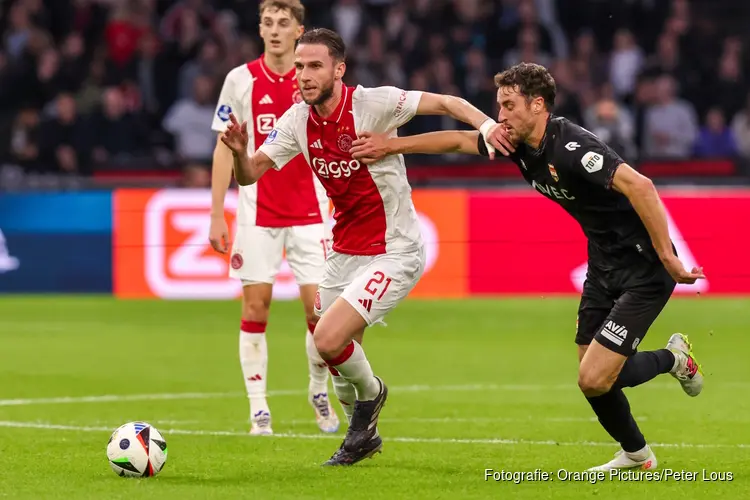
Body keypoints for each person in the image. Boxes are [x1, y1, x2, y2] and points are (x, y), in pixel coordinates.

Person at [350, 62, 705, 471]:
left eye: (508, 105)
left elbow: (640, 186)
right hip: (603, 264)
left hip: (644, 268)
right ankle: (637, 455)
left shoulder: (572, 147)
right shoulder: (516, 143)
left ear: (537, 105)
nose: (499, 116)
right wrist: (391, 146)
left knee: (594, 377)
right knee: (595, 376)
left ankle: (675, 359)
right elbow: (459, 141)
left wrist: (667, 256)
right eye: (498, 105)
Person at [219, 28, 505, 465]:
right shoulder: (297, 121)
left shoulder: (373, 103)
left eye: (315, 66)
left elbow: (447, 103)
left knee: (330, 338)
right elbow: (250, 174)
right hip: (344, 252)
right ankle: (362, 436)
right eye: (299, 67)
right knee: (325, 350)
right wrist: (240, 153)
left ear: (339, 69)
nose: (304, 76)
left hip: (395, 249)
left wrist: (486, 124)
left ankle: (373, 398)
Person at [209, 0, 338, 437]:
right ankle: (258, 408)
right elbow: (226, 147)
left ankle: (317, 390)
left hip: (311, 214)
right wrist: (216, 213)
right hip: (256, 214)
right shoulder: (240, 80)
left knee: (320, 314)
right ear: (260, 29)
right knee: (255, 308)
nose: (276, 30)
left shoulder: (315, 79)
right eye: (268, 22)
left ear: (300, 30)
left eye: (284, 23)